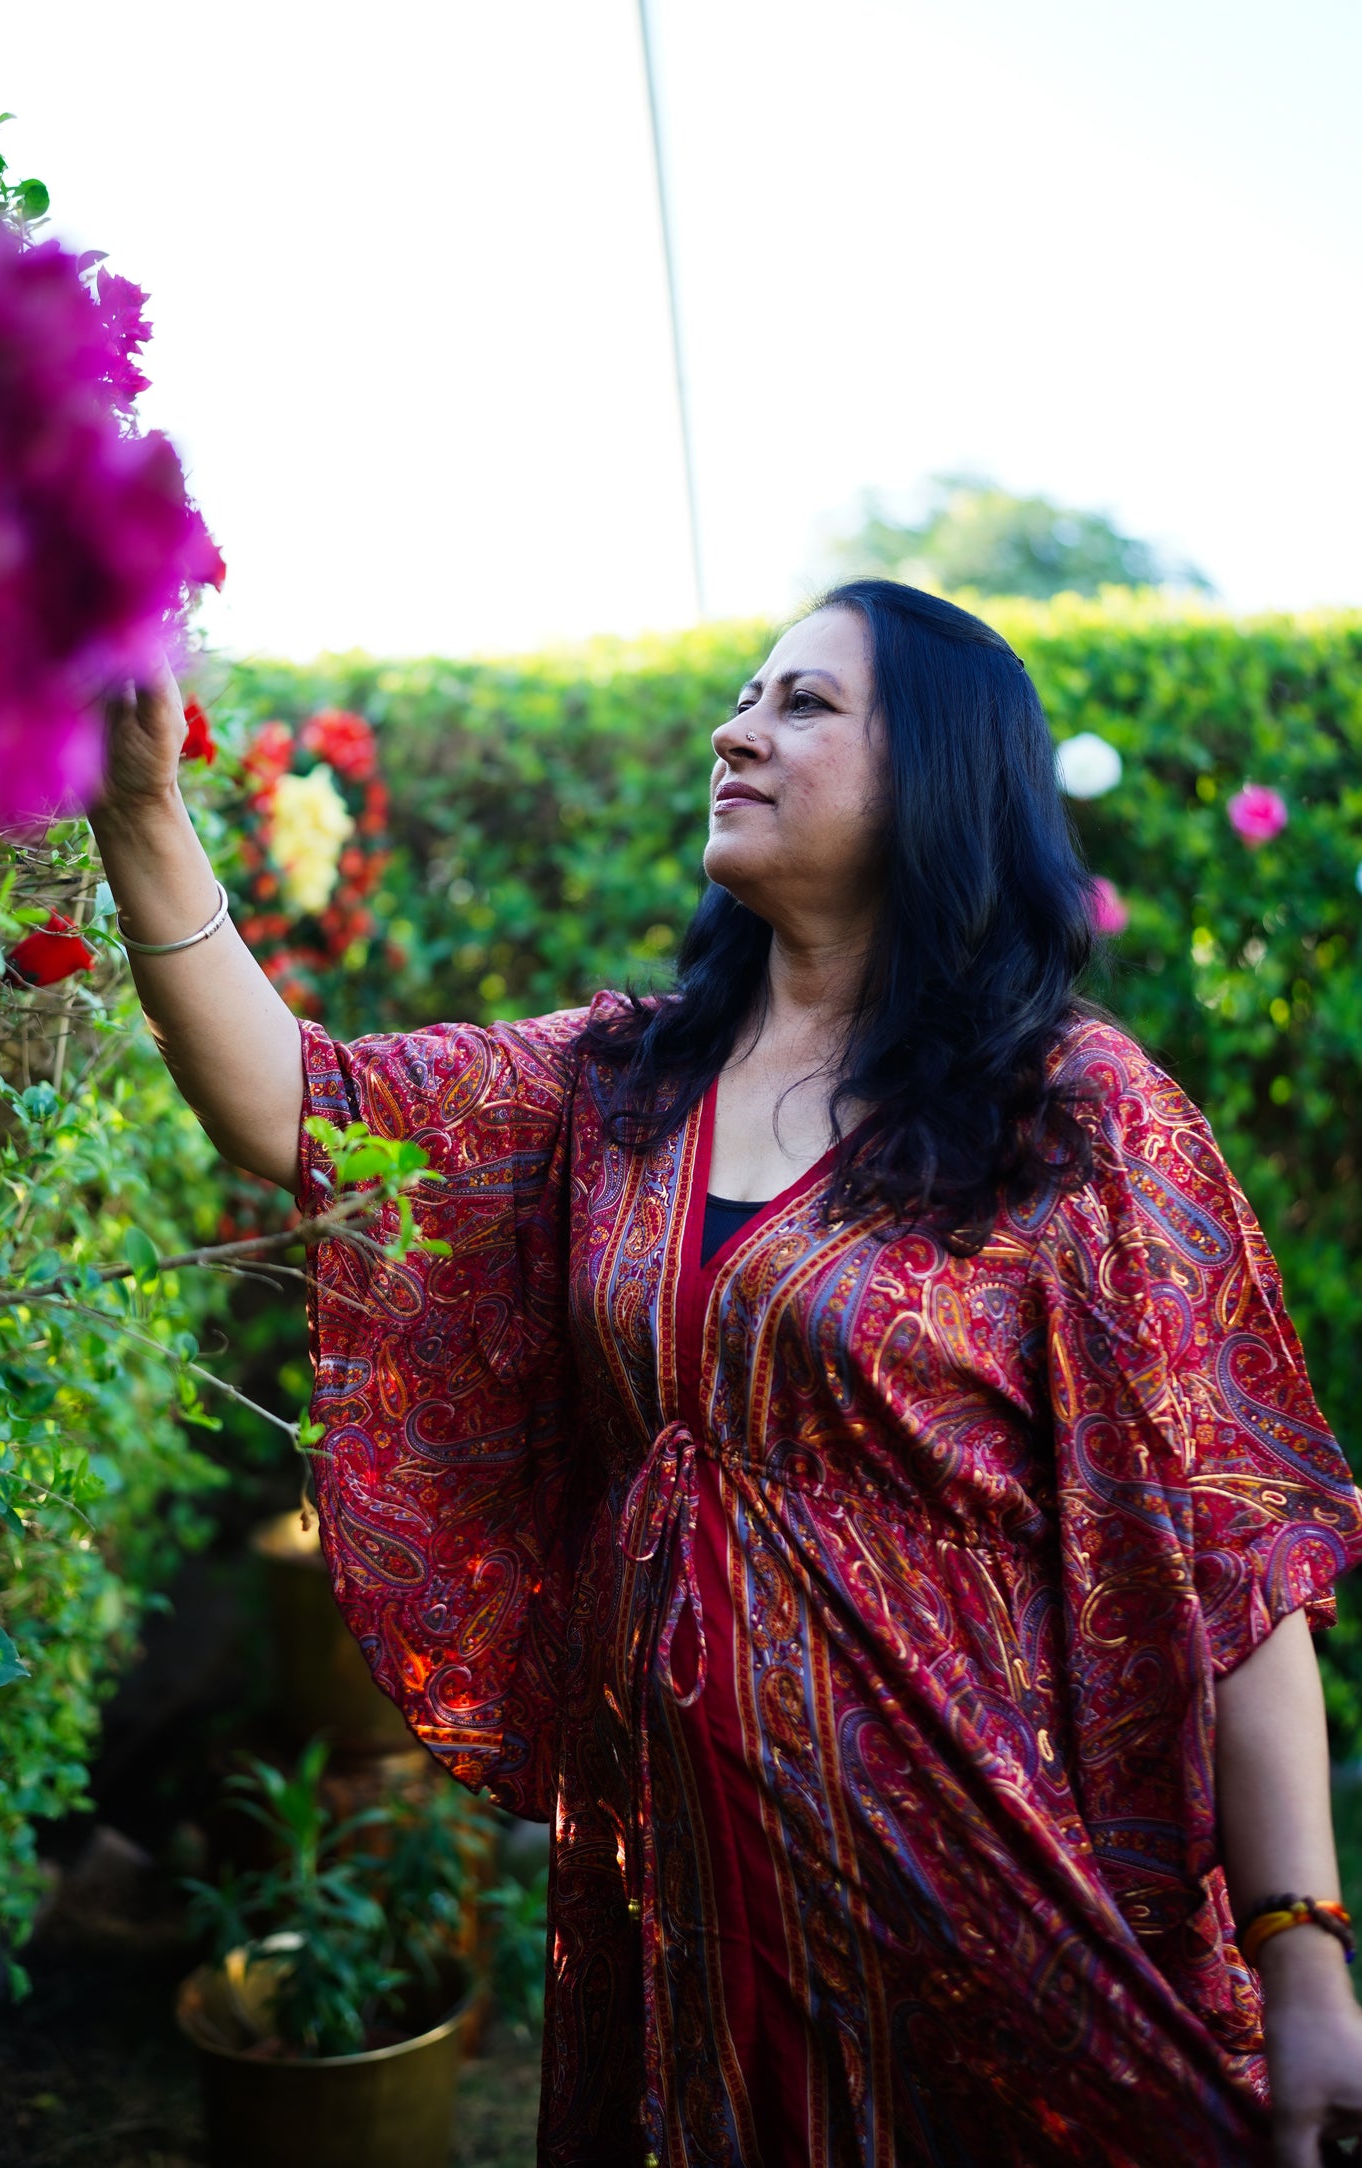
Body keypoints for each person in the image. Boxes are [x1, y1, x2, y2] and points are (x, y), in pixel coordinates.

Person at [92, 580, 1362, 2168]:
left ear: (940, 777)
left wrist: (1300, 1946)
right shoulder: (620, 1085)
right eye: (746, 695)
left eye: (802, 705)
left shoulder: (1079, 1117)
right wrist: (141, 811)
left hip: (986, 1918)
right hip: (681, 1917)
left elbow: (1230, 1554)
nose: (732, 729)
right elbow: (302, 1109)